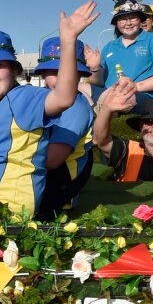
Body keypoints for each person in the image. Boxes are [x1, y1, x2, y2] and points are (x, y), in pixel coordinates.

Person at [0, 1, 99, 218]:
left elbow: (65, 97)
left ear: (14, 71)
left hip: (4, 207)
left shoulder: (24, 98)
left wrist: (68, 40)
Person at [33, 36, 95, 218]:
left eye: (66, 71)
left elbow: (52, 161)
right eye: (53, 72)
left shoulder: (75, 108)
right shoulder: (43, 100)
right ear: (43, 74)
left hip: (56, 194)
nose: (61, 78)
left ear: (79, 75)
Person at [85, 0, 153, 105]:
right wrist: (94, 68)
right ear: (116, 23)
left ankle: (99, 111)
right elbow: (99, 82)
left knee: (121, 98)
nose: (128, 23)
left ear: (140, 20)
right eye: (122, 19)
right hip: (110, 93)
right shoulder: (109, 47)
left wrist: (135, 87)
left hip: (143, 95)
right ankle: (95, 112)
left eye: (133, 18)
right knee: (79, 88)